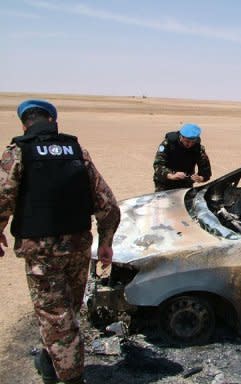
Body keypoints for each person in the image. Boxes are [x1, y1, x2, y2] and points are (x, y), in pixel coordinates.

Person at [0, 99, 121, 384]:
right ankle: (49, 360)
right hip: (78, 247)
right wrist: (106, 241)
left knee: (57, 317)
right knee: (65, 313)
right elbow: (108, 205)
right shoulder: (77, 152)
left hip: (43, 254)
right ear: (54, 121)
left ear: (24, 124)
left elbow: (3, 197)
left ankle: (71, 378)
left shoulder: (17, 153)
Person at [153, 123, 212, 191]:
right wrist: (171, 176)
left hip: (185, 184)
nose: (189, 144)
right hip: (164, 183)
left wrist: (200, 178)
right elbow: (158, 165)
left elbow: (206, 172)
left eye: (193, 142)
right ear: (181, 137)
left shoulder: (198, 149)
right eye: (187, 141)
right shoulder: (168, 144)